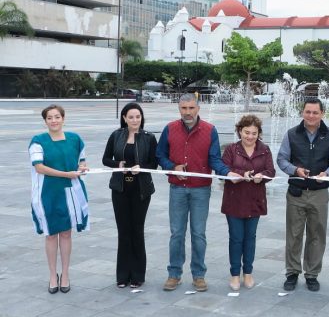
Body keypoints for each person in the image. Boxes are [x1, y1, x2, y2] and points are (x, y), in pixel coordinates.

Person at [157, 93, 239, 292]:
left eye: (191, 108)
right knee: (176, 233)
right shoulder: (169, 129)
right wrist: (172, 167)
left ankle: (198, 275)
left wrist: (227, 173)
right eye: (184, 108)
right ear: (179, 109)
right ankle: (174, 274)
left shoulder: (210, 131)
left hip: (200, 190)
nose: (187, 112)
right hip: (177, 189)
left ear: (198, 108)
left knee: (198, 233)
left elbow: (214, 159)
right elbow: (160, 154)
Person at [277, 98, 329, 292]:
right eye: (308, 112)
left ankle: (312, 274)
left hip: (319, 193)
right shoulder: (292, 134)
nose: (311, 116)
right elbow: (281, 159)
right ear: (302, 113)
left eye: (315, 112)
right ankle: (292, 272)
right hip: (296, 192)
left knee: (317, 234)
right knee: (294, 234)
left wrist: (327, 173)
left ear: (322, 113)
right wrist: (294, 169)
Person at [29, 105, 89, 294]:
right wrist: (66, 174)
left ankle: (65, 274)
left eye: (57, 117)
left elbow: (82, 160)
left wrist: (82, 166)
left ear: (63, 118)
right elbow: (39, 167)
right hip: (48, 193)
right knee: (50, 234)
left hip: (70, 192)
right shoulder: (38, 141)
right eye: (49, 118)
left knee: (66, 233)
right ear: (45, 121)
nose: (54, 121)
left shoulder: (75, 139)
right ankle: (52, 274)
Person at [101, 102, 158, 288]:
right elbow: (105, 159)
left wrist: (141, 168)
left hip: (141, 190)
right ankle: (123, 275)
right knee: (123, 231)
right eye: (131, 117)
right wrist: (118, 165)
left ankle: (138, 275)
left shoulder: (149, 138)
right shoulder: (116, 135)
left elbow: (154, 164)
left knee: (137, 230)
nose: (135, 120)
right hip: (120, 189)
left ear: (142, 118)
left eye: (138, 117)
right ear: (124, 118)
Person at [221, 115, 275, 291]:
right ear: (240, 131)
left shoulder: (265, 149)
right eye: (246, 132)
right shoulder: (231, 149)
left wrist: (262, 177)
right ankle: (235, 275)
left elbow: (271, 171)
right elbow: (224, 169)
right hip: (234, 200)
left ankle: (248, 273)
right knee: (236, 238)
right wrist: (239, 174)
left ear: (259, 133)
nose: (250, 136)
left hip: (255, 200)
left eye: (254, 133)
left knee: (250, 238)